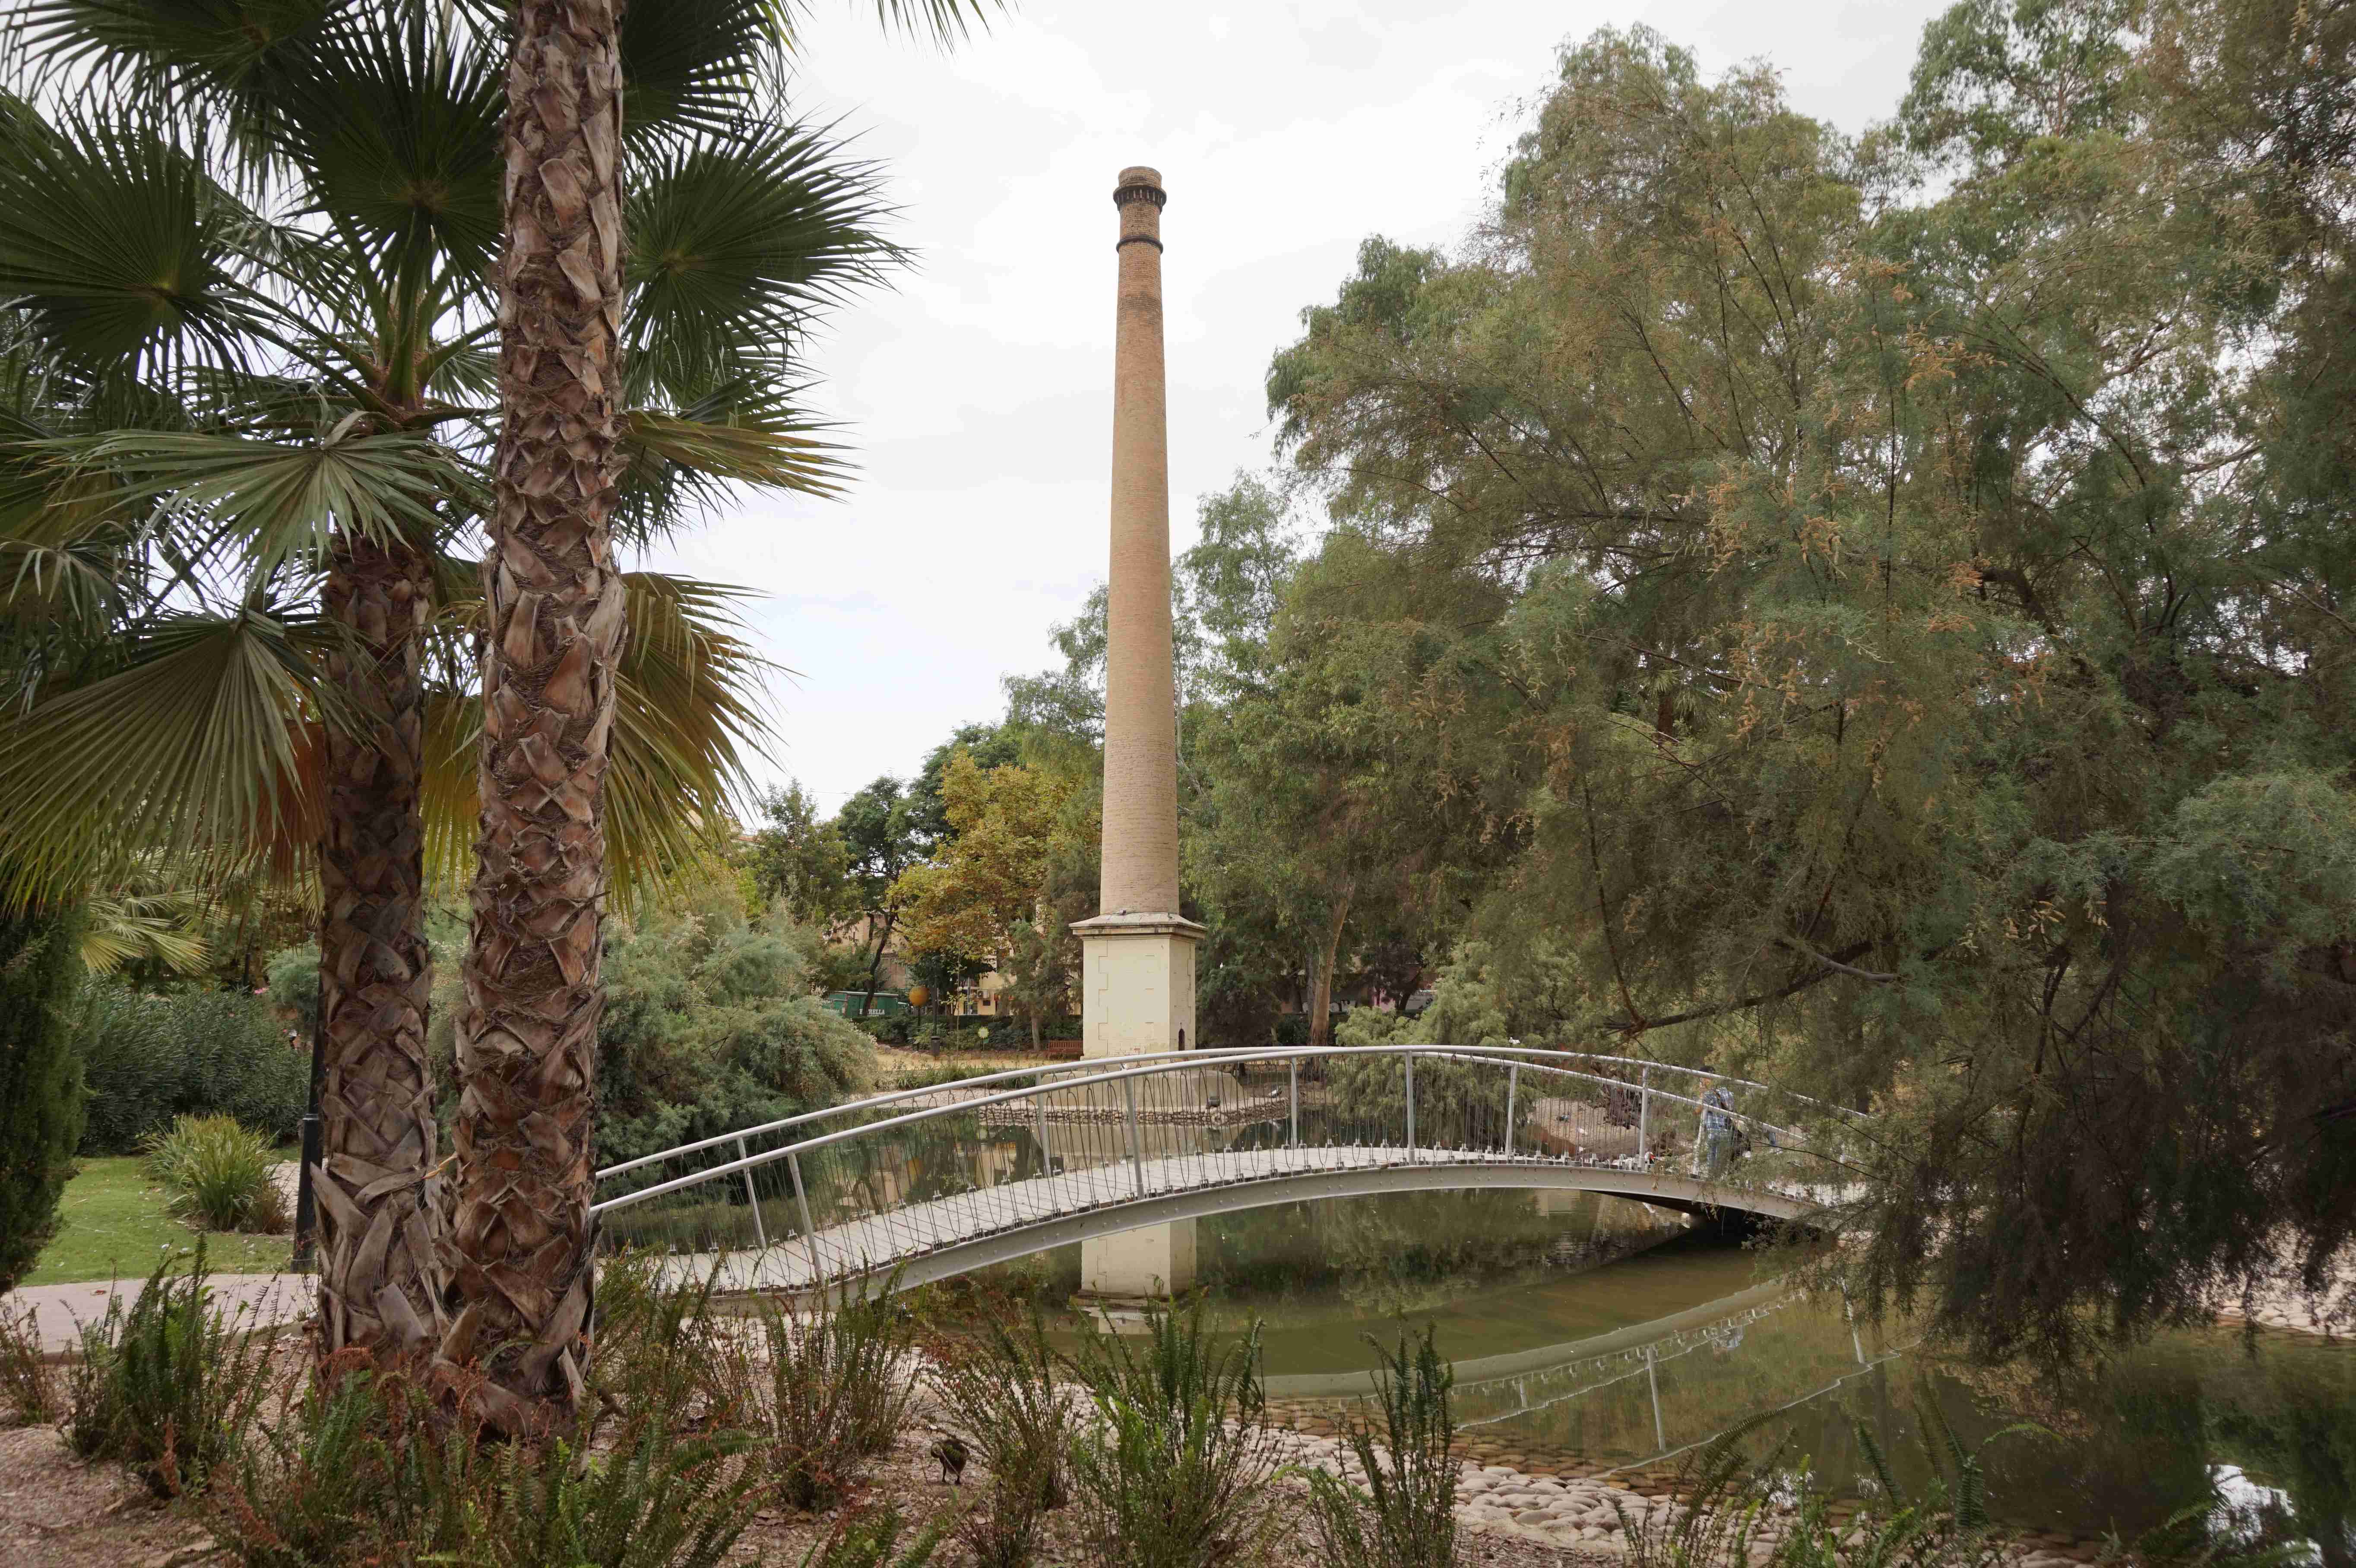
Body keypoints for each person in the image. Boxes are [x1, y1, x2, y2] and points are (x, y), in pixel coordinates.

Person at [1691, 1083, 1738, 1179]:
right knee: (1718, 1156)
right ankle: (1717, 1177)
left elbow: (1697, 1110)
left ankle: (1714, 1177)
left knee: (1715, 1155)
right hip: (1719, 1129)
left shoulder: (1714, 1092)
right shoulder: (1723, 1093)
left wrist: (1705, 1094)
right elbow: (1696, 1111)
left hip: (1718, 1129)